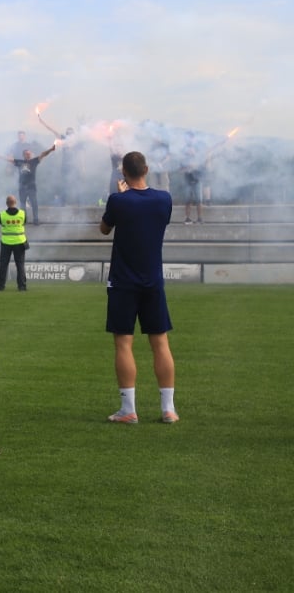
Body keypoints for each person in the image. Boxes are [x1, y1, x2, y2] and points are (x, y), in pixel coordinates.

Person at [99, 151, 178, 425]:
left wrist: (121, 195)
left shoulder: (118, 200)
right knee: (160, 342)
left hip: (123, 281)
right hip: (153, 280)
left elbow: (104, 228)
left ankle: (128, 409)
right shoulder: (164, 199)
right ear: (146, 169)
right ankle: (168, 408)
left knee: (123, 343)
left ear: (123, 172)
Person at [1, 144, 56, 225]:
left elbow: (42, 154)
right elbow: (9, 159)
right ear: (24, 155)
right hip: (22, 186)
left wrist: (51, 149)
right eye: (26, 154)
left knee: (34, 203)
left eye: (29, 153)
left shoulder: (34, 161)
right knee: (22, 204)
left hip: (31, 186)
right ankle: (24, 220)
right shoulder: (20, 162)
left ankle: (36, 219)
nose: (28, 155)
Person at [0, 195, 28, 291]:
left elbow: (1, 223)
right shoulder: (22, 214)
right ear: (15, 203)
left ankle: (1, 285)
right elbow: (24, 223)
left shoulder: (2, 215)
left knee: (3, 264)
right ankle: (21, 286)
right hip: (20, 242)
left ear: (7, 203)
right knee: (20, 265)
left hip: (6, 242)